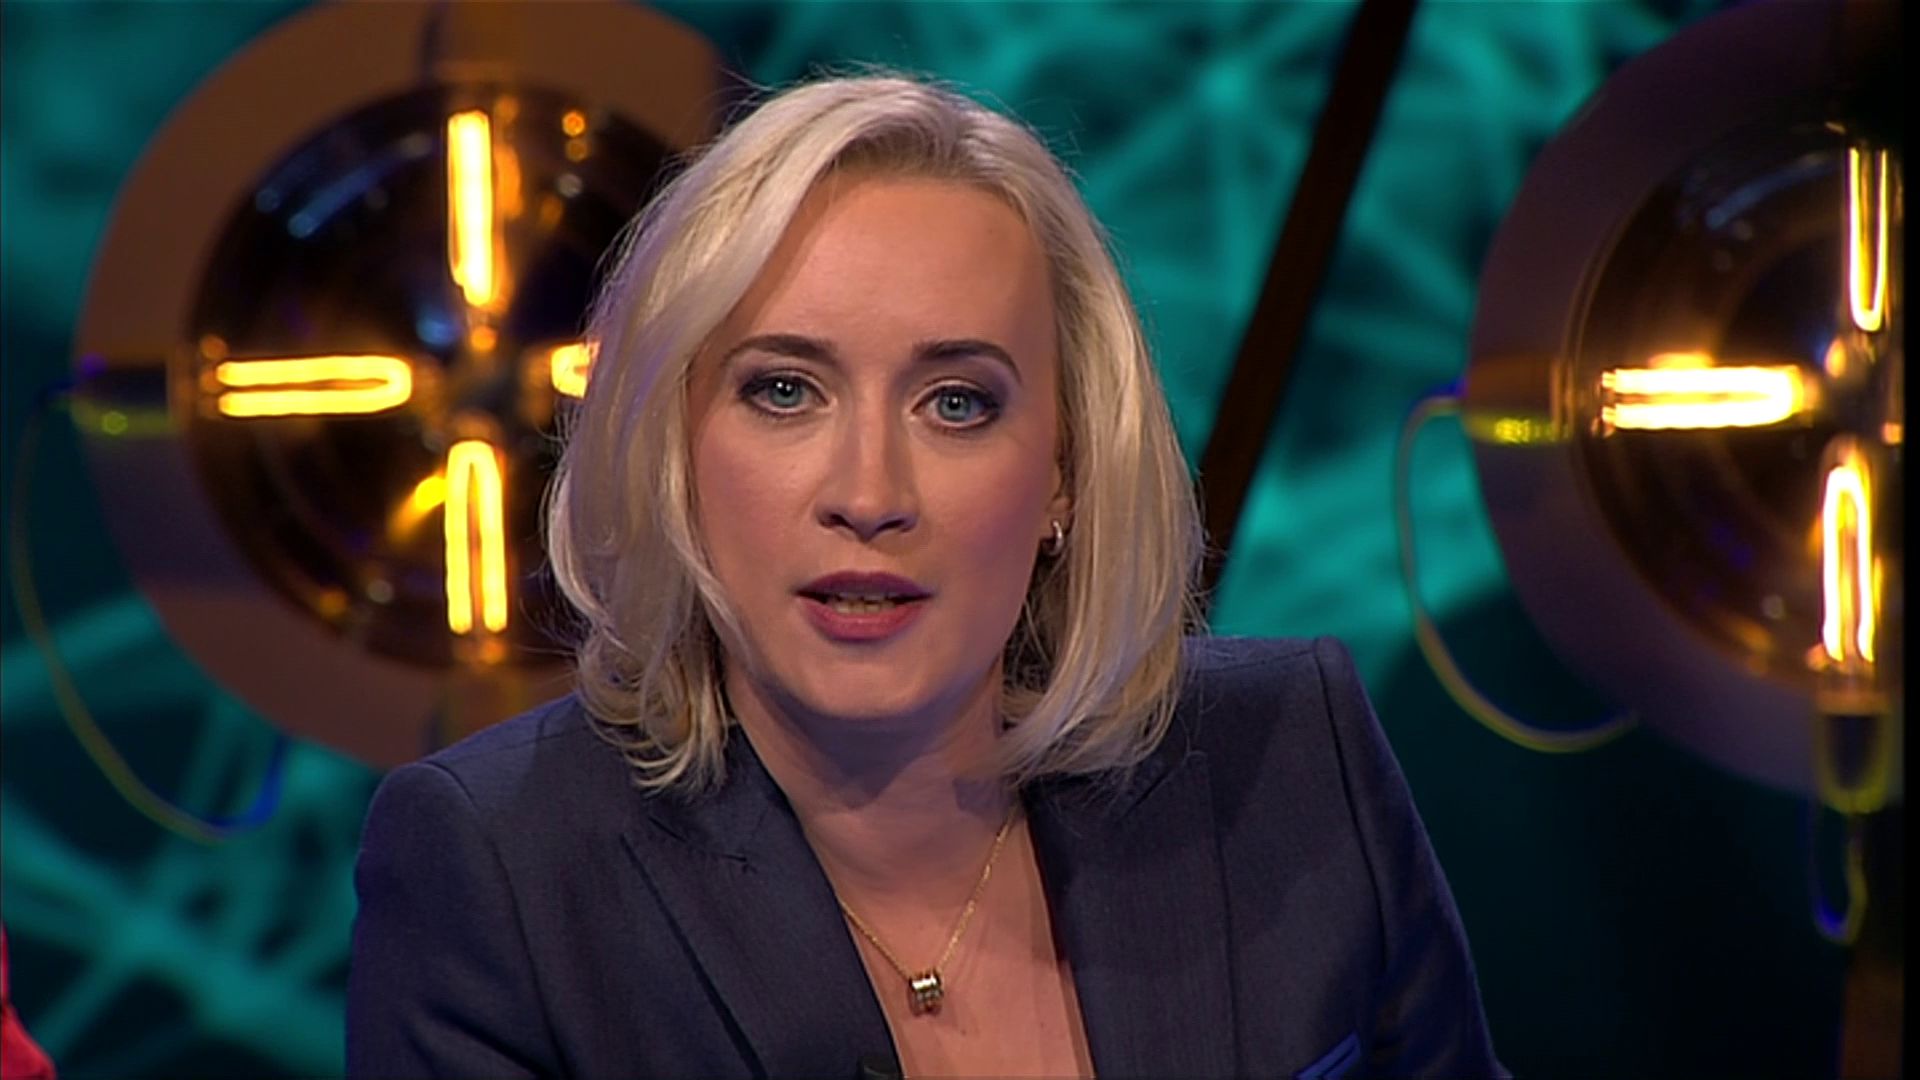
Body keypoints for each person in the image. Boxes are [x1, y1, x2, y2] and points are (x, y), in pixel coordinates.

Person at [347, 72, 1503, 1079]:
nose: (868, 493)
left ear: (1063, 473)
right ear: (672, 450)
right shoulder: (502, 875)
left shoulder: (1291, 758)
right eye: (784, 391)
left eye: (956, 403)